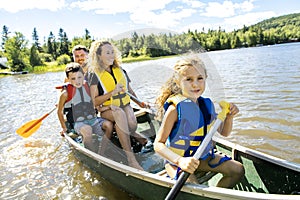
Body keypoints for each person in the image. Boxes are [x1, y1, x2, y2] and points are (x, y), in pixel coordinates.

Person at [153, 55, 244, 188]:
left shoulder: (207, 105)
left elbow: (224, 132)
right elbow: (158, 144)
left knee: (237, 170)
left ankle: (215, 196)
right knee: (193, 187)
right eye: (188, 79)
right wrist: (180, 161)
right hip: (177, 161)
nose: (195, 84)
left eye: (200, 78)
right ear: (178, 83)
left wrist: (229, 117)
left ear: (205, 79)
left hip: (201, 157)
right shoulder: (174, 109)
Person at [88, 40, 148, 170]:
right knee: (119, 115)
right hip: (108, 109)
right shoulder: (94, 75)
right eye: (107, 53)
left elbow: (130, 91)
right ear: (98, 56)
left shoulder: (120, 70)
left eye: (112, 52)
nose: (111, 55)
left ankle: (132, 134)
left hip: (124, 104)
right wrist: (112, 92)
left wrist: (140, 103)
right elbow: (94, 102)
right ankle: (131, 159)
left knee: (132, 124)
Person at [57, 63, 111, 155]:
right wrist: (64, 127)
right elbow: (59, 112)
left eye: (79, 77)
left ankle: (102, 151)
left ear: (83, 76)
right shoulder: (65, 94)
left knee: (109, 125)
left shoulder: (89, 87)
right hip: (78, 122)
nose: (77, 81)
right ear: (68, 79)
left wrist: (107, 107)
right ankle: (92, 153)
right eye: (73, 79)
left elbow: (95, 104)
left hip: (93, 119)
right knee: (87, 130)